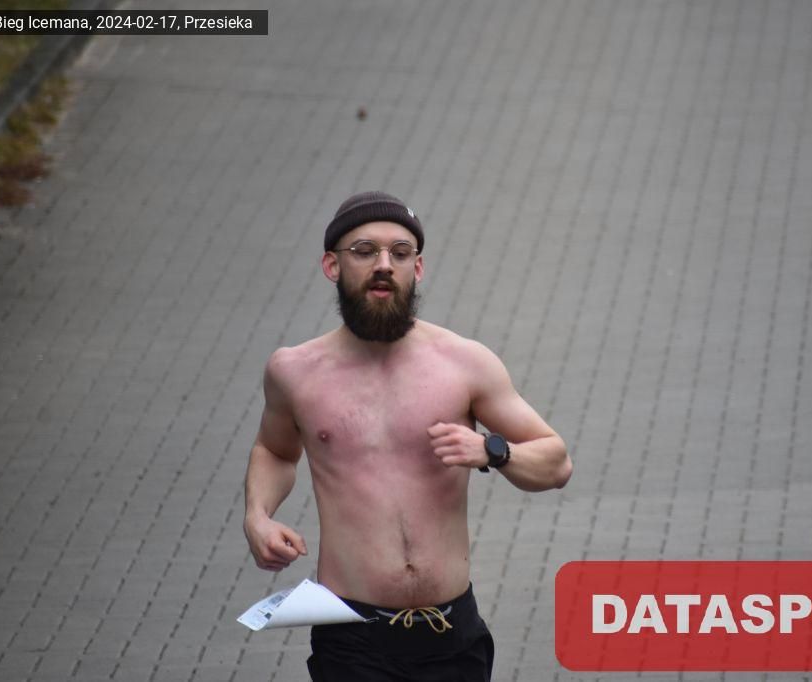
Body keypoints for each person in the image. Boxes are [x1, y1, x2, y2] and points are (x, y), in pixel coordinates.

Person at [243, 191, 572, 681]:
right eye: (364, 251)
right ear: (332, 265)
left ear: (417, 269)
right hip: (352, 637)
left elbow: (556, 462)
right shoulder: (295, 371)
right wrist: (258, 515)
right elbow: (275, 450)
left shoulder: (464, 363)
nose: (384, 265)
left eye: (399, 253)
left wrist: (492, 451)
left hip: (452, 633)